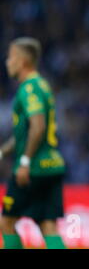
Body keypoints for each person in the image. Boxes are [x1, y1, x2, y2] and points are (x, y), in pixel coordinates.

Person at [0, 37, 66, 249]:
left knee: (7, 222)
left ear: (23, 60)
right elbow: (26, 133)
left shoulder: (29, 89)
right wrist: (3, 152)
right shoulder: (43, 85)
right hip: (52, 165)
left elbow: (38, 127)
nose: (7, 61)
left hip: (33, 169)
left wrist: (25, 162)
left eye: (11, 56)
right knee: (48, 225)